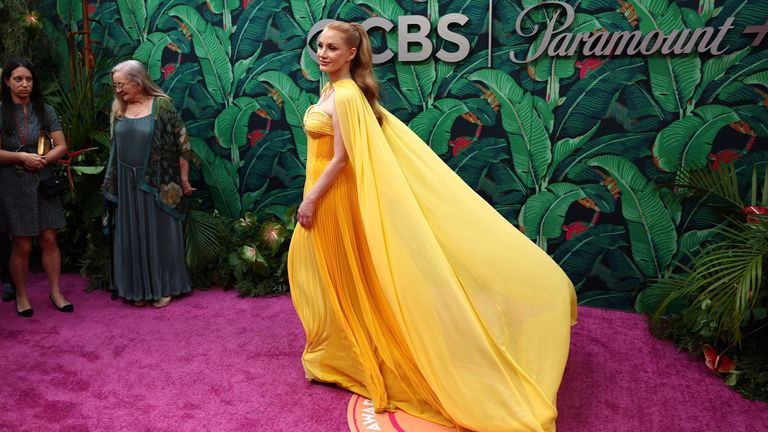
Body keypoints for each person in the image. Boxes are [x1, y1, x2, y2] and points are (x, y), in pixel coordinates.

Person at [287, 21, 578, 432]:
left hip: (331, 198)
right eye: (320, 46)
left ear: (352, 54)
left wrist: (312, 198)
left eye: (333, 48)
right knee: (341, 278)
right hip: (327, 195)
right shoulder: (331, 89)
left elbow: (342, 157)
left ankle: (363, 354)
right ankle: (344, 352)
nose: (323, 53)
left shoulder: (349, 96)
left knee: (346, 276)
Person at [103, 60, 193, 308]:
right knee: (132, 237)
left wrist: (184, 180)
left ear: (138, 81)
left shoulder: (161, 105)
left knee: (160, 236)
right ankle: (138, 288)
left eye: (122, 84)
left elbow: (182, 144)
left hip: (158, 182)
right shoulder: (118, 109)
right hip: (126, 184)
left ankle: (165, 287)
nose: (118, 90)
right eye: (116, 85)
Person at [0, 59, 71, 318]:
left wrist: (42, 160)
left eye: (28, 79)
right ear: (7, 81)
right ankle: (21, 295)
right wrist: (22, 158)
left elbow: (61, 145)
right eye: (18, 79)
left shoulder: (45, 110)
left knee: (50, 239)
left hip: (43, 180)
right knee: (22, 244)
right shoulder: (1, 111)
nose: (24, 84)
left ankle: (55, 291)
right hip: (12, 183)